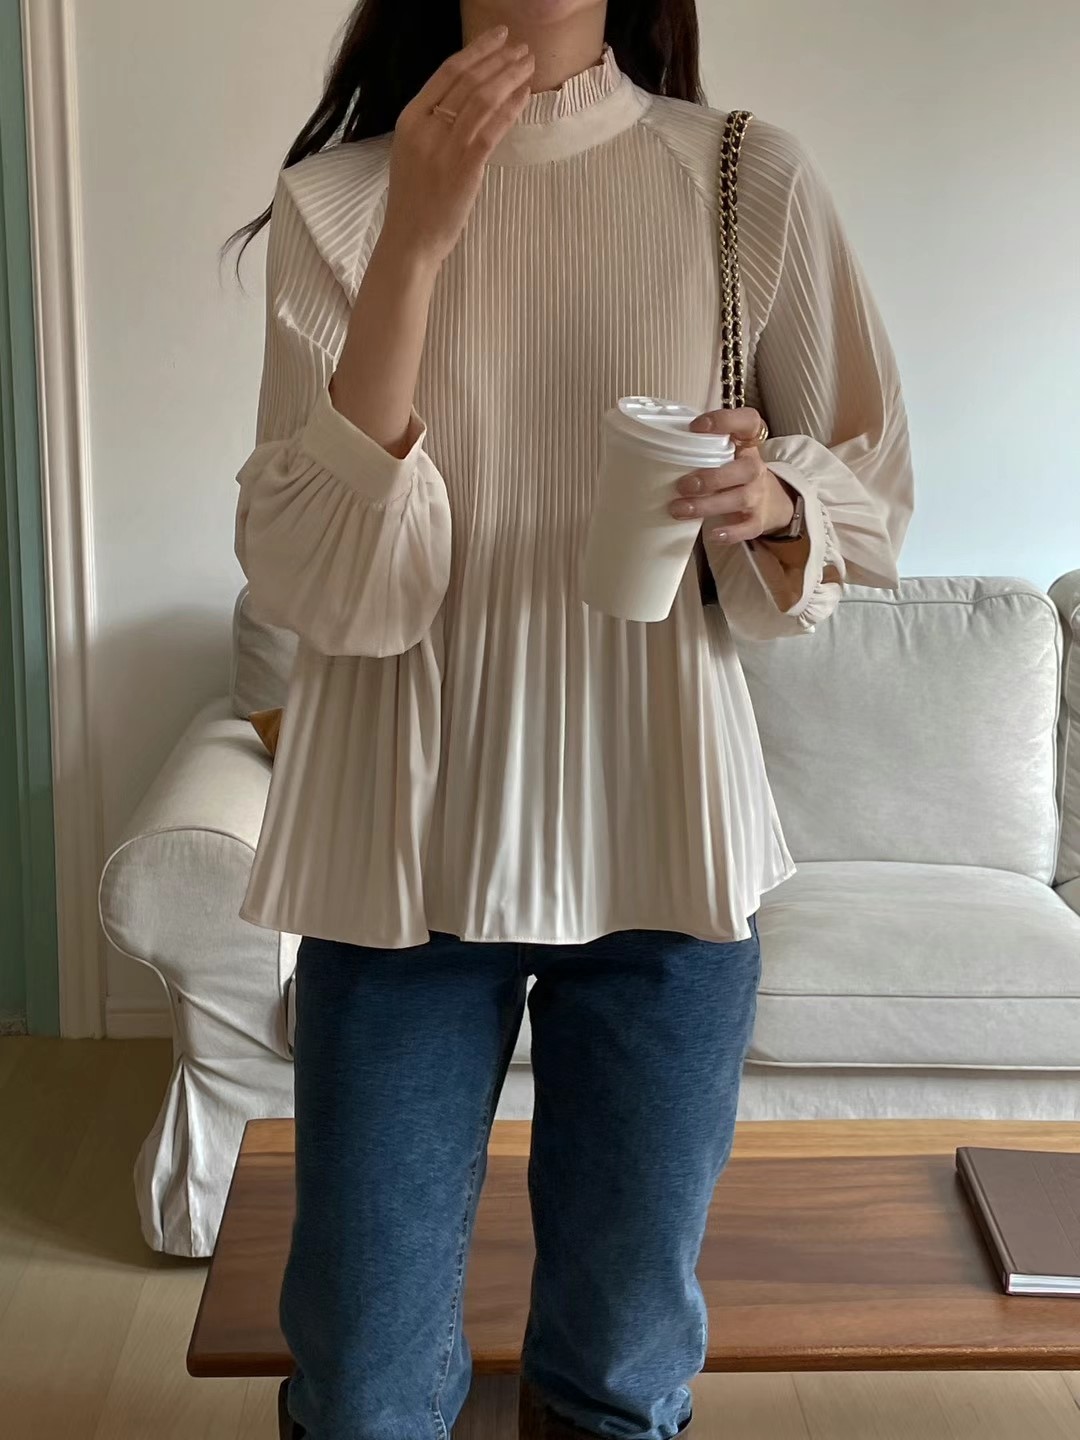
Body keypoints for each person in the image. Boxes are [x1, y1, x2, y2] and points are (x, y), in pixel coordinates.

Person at [231, 1, 913, 1436]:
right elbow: (335, 587)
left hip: (667, 839)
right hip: (398, 858)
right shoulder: (338, 203)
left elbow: (871, 488)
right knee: (363, 1392)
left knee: (620, 1377)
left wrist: (776, 497)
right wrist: (415, 241)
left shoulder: (744, 178)